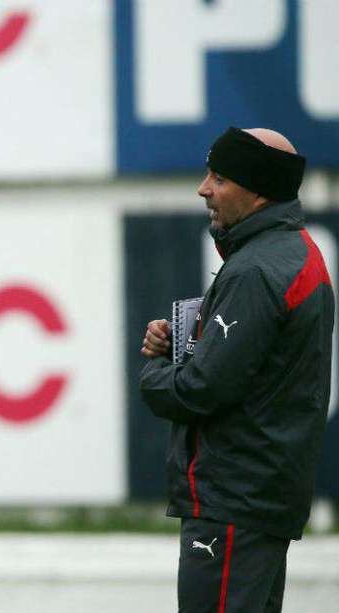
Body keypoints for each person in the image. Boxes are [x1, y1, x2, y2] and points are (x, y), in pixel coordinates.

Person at [139, 127, 333, 613]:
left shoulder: (255, 271)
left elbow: (199, 389)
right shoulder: (298, 253)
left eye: (219, 178)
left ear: (258, 189)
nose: (204, 188)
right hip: (260, 500)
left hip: (231, 503)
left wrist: (156, 370)